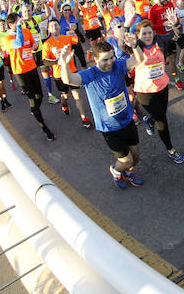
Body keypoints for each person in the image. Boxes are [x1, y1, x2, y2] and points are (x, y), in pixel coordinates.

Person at [57, 37, 145, 188]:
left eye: (111, 57)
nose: (110, 62)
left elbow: (138, 59)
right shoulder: (90, 75)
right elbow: (69, 79)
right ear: (96, 59)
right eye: (105, 60)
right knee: (127, 160)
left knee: (135, 156)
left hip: (127, 119)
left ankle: (128, 172)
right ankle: (116, 171)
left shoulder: (118, 66)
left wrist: (135, 46)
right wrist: (65, 65)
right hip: (109, 127)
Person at [132, 21, 184, 164]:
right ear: (138, 35)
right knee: (162, 122)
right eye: (144, 34)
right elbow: (123, 46)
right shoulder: (135, 45)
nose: (148, 36)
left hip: (162, 86)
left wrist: (175, 23)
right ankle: (171, 150)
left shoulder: (159, 40)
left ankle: (149, 120)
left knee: (161, 114)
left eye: (150, 32)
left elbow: (176, 35)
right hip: (145, 92)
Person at [3, 12, 55, 141]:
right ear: (10, 25)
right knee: (32, 97)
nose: (20, 22)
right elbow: (19, 43)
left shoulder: (26, 31)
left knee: (40, 96)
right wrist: (19, 28)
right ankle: (44, 127)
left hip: (31, 67)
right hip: (20, 71)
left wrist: (34, 45)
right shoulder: (7, 38)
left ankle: (34, 110)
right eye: (17, 22)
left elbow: (34, 43)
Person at [41, 19, 93, 129]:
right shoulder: (47, 44)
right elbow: (45, 61)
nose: (54, 27)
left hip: (72, 71)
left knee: (77, 95)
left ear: (59, 27)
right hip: (59, 75)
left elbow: (81, 40)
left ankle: (84, 118)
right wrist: (57, 62)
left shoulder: (67, 38)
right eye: (52, 26)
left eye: (56, 25)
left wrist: (76, 30)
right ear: (49, 29)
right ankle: (64, 104)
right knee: (65, 95)